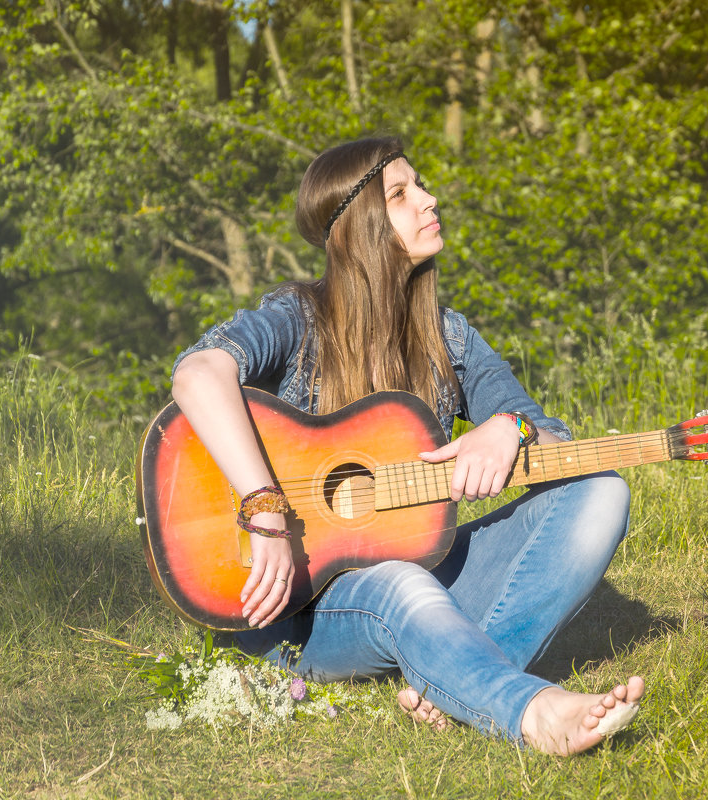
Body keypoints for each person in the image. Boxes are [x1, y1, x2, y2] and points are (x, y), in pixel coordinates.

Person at [169, 135, 644, 755]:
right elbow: (197, 373)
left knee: (601, 491)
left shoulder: (452, 338)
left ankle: (449, 682)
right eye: (401, 193)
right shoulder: (298, 316)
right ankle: (533, 710)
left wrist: (511, 429)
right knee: (398, 581)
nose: (429, 199)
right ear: (356, 228)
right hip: (307, 613)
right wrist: (265, 510)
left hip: (420, 574)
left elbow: (553, 440)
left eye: (419, 185)